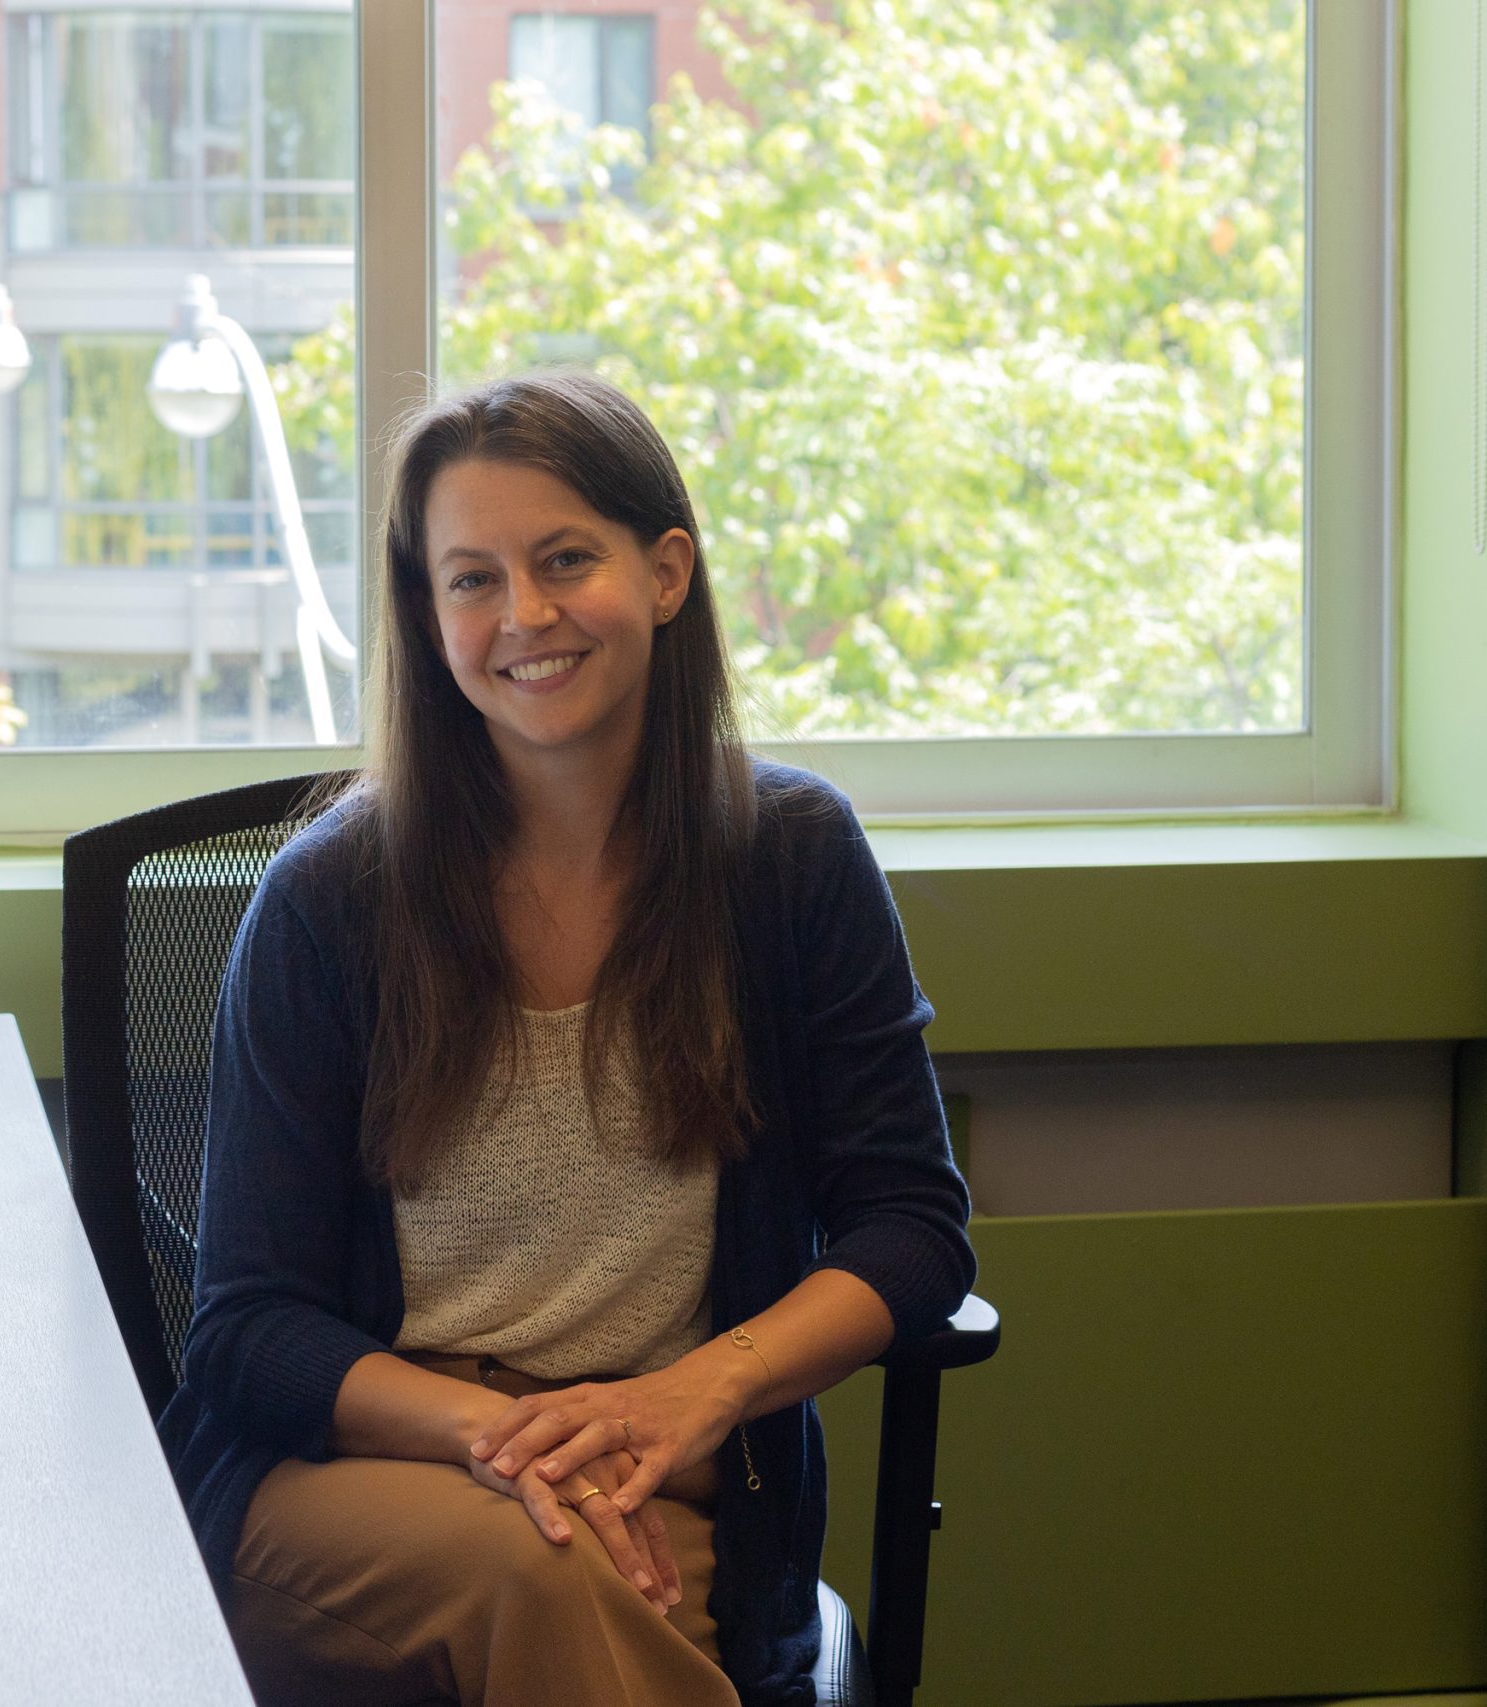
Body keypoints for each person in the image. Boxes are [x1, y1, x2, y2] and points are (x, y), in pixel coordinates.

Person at [158, 370, 976, 1707]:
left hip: (669, 1472)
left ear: (665, 574)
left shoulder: (789, 861)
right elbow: (247, 1336)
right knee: (543, 1572)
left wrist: (689, 1400)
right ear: (428, 620)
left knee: (580, 1585)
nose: (522, 616)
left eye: (563, 561)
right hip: (366, 1485)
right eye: (470, 579)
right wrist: (505, 1440)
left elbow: (911, 1230)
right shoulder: (331, 903)